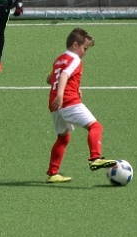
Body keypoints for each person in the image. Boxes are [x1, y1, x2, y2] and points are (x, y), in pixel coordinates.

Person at [45, 28, 117, 182]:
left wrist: (74, 87)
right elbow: (64, 75)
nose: (85, 52)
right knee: (95, 127)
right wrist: (61, 95)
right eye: (85, 48)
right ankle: (95, 158)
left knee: (63, 138)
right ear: (75, 45)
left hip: (54, 104)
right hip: (67, 101)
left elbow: (49, 79)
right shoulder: (75, 59)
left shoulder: (59, 59)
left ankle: (52, 173)